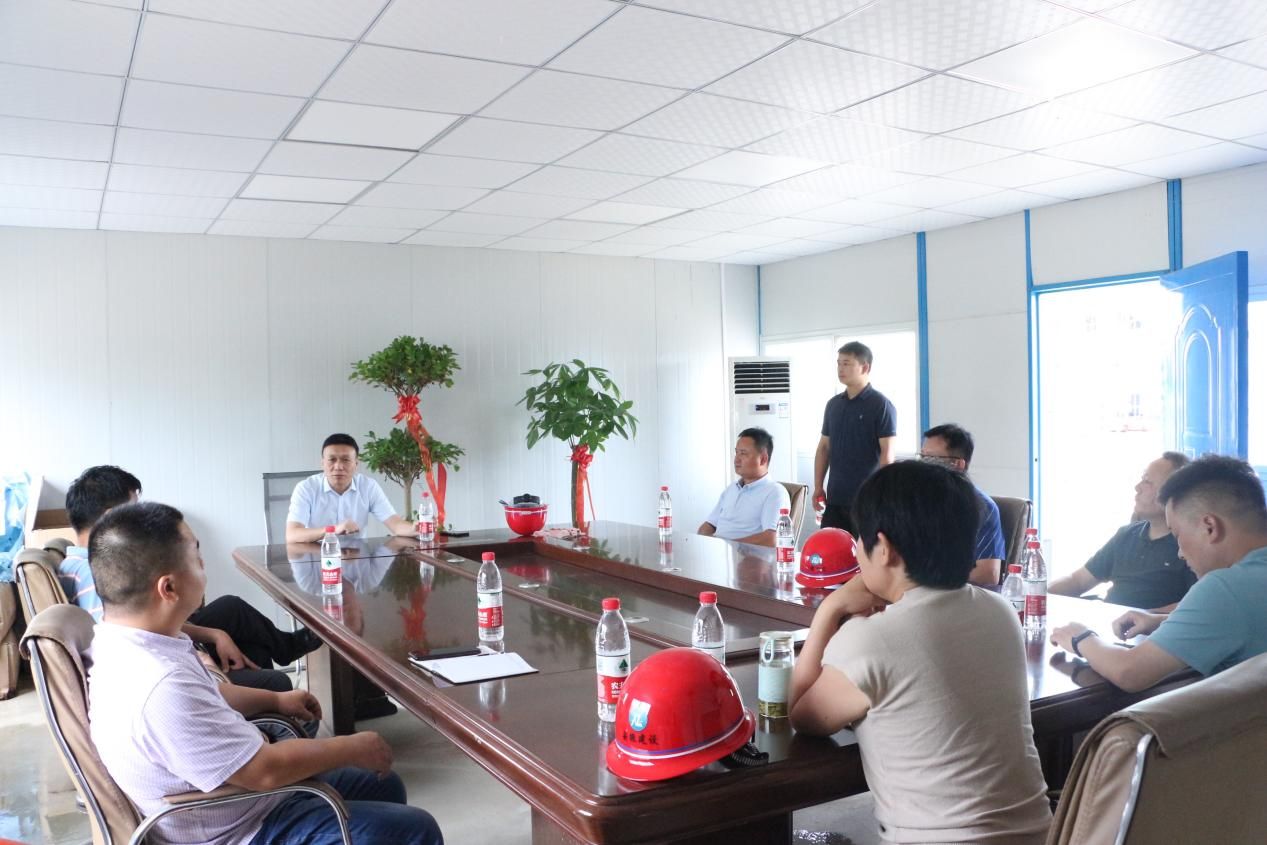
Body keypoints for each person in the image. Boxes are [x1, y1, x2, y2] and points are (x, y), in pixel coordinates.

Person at [86, 501, 444, 845]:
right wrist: (350, 746)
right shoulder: (160, 684)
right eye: (196, 557)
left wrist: (275, 699)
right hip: (239, 829)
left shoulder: (129, 642)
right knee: (415, 830)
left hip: (239, 798)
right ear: (169, 588)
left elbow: (211, 693)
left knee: (383, 784)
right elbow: (264, 771)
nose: (204, 564)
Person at [789, 460, 1050, 843]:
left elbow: (802, 715)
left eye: (859, 540)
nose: (857, 552)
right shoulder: (1002, 612)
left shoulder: (871, 639)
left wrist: (831, 608)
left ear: (884, 550)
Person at [61, 466, 319, 692]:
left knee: (235, 615)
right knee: (270, 674)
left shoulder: (75, 562)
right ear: (111, 518)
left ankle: (279, 662)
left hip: (164, 643)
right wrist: (200, 658)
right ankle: (270, 704)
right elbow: (132, 639)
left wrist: (216, 634)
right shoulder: (96, 574)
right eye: (134, 509)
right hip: (163, 661)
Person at [1051, 455, 1267, 692]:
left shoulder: (1224, 588)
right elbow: (1238, 621)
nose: (1180, 553)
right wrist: (1161, 622)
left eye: (1178, 535)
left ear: (1209, 527)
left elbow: (1129, 672)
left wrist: (1080, 638)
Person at [1049, 453, 1194, 611]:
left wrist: (1146, 617)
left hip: (1152, 625)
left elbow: (1196, 605)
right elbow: (1078, 581)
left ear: (1174, 493)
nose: (1137, 488)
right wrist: (1038, 594)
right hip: (1111, 619)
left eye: (1147, 481)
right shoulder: (1127, 535)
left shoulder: (1189, 544)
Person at [812, 342, 896, 535]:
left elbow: (887, 454)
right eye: (838, 363)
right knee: (831, 549)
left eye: (847, 363)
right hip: (835, 499)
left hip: (866, 500)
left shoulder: (881, 405)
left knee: (865, 551)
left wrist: (882, 492)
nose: (840, 369)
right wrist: (818, 486)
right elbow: (824, 448)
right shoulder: (833, 405)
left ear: (865, 367)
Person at [285, 433, 417, 543]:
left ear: (356, 464)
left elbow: (395, 524)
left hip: (357, 558)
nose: (338, 466)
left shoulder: (368, 487)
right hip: (319, 557)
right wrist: (333, 530)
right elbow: (292, 534)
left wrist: (417, 529)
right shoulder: (306, 488)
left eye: (346, 460)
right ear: (322, 463)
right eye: (332, 459)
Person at [919, 423, 1005, 586]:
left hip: (957, 592)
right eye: (922, 457)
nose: (923, 465)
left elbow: (989, 573)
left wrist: (930, 578)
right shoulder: (915, 501)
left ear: (958, 464)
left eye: (931, 458)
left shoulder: (982, 508)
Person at [698, 428, 791, 547]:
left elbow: (772, 539)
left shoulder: (775, 492)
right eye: (736, 452)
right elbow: (708, 525)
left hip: (747, 556)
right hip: (719, 553)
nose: (736, 459)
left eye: (743, 453)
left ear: (763, 459)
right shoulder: (732, 489)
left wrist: (727, 546)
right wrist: (704, 542)